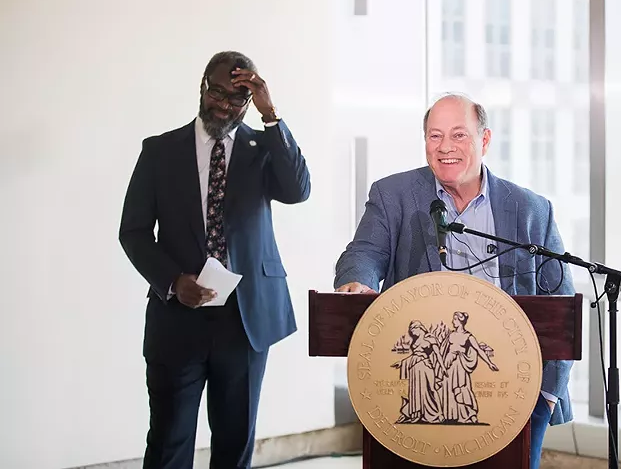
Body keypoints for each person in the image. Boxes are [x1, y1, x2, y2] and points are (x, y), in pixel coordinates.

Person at [334, 93, 573, 469]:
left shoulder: (530, 209)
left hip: (516, 391)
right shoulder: (393, 195)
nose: (445, 147)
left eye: (459, 135)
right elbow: (363, 253)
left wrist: (546, 395)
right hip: (421, 389)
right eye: (434, 136)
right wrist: (356, 282)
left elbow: (562, 305)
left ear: (485, 140)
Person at [119, 51, 310, 469]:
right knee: (169, 442)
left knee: (234, 444)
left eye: (236, 98)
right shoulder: (159, 151)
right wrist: (172, 280)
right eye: (217, 92)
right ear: (202, 86)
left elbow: (297, 189)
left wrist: (270, 114)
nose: (223, 104)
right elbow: (132, 232)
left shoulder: (262, 148)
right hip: (178, 319)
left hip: (244, 321)